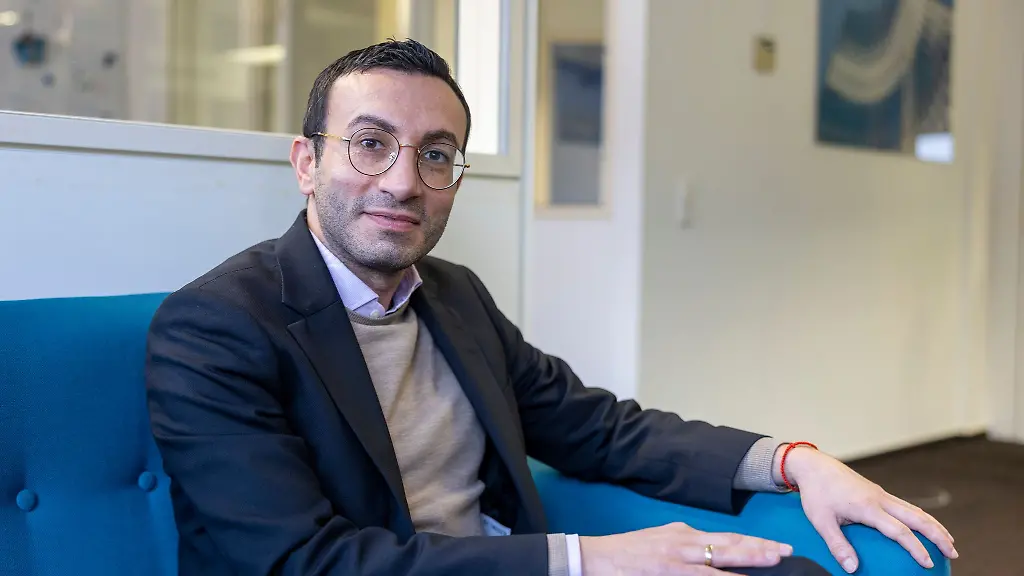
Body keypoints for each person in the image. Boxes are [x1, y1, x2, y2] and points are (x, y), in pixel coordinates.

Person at [144, 38, 957, 576]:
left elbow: (598, 429)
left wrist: (794, 461)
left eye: (436, 155)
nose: (403, 181)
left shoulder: (454, 296)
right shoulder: (214, 327)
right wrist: (587, 559)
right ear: (306, 163)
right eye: (370, 143)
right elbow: (301, 563)